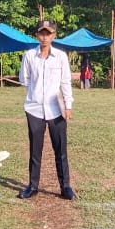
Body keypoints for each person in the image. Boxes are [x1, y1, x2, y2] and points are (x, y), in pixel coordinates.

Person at [18, 20, 76, 201]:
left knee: (60, 149)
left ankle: (65, 186)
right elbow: (24, 79)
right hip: (34, 108)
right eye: (42, 33)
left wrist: (68, 105)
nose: (44, 37)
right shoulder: (29, 56)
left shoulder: (60, 56)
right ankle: (32, 185)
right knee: (35, 149)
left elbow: (65, 82)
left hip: (56, 109)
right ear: (37, 35)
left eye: (48, 34)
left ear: (54, 35)